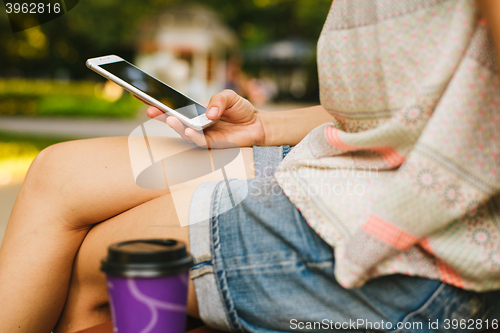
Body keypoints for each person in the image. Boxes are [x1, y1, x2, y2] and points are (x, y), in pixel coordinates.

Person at [1, 0, 500, 332]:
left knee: (109, 267)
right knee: (57, 172)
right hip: (359, 161)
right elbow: (410, 101)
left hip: (420, 227)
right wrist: (261, 129)